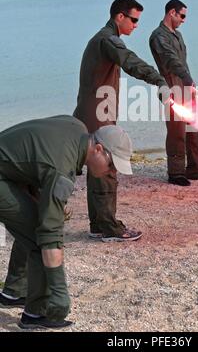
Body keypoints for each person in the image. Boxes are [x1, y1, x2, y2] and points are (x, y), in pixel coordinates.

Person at [0, 115, 133, 329]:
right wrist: (59, 291)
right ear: (98, 149)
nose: (112, 172)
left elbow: (37, 150)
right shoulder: (62, 170)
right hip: (4, 176)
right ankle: (36, 313)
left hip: (11, 171)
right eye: (112, 165)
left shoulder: (77, 126)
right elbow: (50, 234)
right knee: (38, 237)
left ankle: (14, 292)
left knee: (33, 225)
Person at [73, 0, 169, 241]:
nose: (136, 25)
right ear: (120, 16)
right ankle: (110, 229)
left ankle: (98, 225)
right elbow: (130, 62)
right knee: (107, 167)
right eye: (134, 20)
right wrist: (158, 80)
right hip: (98, 117)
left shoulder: (102, 39)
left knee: (98, 170)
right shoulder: (108, 40)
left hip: (91, 114)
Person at [149, 0, 198, 186]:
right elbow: (170, 61)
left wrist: (190, 82)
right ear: (172, 13)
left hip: (186, 86)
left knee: (196, 128)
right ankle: (176, 173)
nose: (184, 20)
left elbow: (183, 62)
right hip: (171, 87)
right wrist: (187, 79)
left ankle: (195, 170)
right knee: (177, 132)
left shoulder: (177, 35)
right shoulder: (158, 36)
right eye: (182, 16)